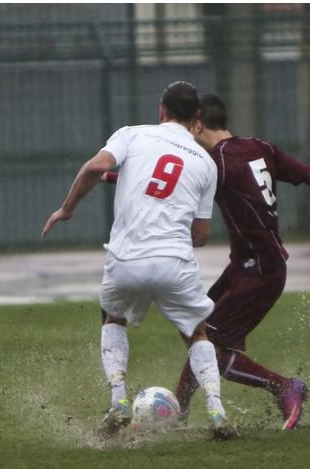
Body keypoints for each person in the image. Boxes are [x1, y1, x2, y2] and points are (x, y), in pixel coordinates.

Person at [172, 94, 310, 430]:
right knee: (196, 330)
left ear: (198, 124)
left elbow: (169, 184)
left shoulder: (215, 162)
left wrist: (112, 178)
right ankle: (179, 411)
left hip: (258, 272)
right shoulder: (261, 147)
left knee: (209, 347)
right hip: (251, 266)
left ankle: (283, 387)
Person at [42, 82, 237, 440]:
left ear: (160, 111)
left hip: (126, 260)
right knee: (196, 333)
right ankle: (216, 410)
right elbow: (202, 236)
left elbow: (92, 168)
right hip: (174, 261)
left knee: (112, 316)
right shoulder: (206, 163)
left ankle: (118, 401)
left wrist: (67, 209)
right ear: (197, 118)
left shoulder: (131, 135)